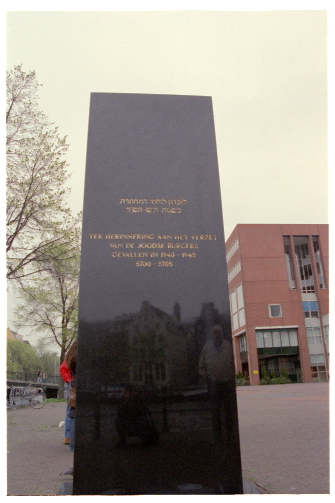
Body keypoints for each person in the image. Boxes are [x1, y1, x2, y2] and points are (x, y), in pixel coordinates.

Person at [198, 325, 235, 445]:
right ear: (211, 334)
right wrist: (206, 376)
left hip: (227, 381)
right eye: (214, 332)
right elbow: (201, 364)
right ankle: (218, 436)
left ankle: (230, 435)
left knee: (229, 411)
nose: (217, 334)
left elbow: (234, 360)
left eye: (218, 332)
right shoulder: (207, 347)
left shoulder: (228, 345)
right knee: (215, 411)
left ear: (222, 333)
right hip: (213, 382)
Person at [64, 340, 77, 453]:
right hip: (80, 386)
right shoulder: (82, 355)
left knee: (72, 413)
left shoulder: (71, 357)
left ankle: (71, 443)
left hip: (74, 387)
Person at [59, 359, 73, 445]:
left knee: (70, 410)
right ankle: (68, 436)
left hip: (74, 384)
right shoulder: (72, 357)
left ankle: (69, 436)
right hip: (72, 385)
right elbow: (63, 369)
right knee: (70, 410)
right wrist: (69, 380)